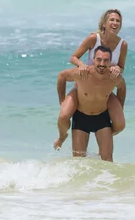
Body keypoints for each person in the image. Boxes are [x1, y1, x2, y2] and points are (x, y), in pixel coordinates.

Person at [53, 9, 128, 149]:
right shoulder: (94, 38)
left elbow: (121, 67)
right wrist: (81, 65)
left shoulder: (122, 45)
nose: (115, 23)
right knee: (63, 116)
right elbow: (73, 58)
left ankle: (103, 136)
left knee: (120, 124)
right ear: (104, 23)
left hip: (105, 87)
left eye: (118, 21)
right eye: (112, 20)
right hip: (85, 85)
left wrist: (118, 69)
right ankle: (62, 137)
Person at [54, 45, 126, 162]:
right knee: (78, 161)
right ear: (93, 60)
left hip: (102, 118)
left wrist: (119, 106)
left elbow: (122, 86)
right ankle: (62, 137)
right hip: (81, 118)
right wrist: (62, 101)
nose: (102, 63)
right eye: (99, 60)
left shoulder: (113, 77)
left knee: (107, 160)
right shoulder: (83, 73)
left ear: (110, 63)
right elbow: (62, 76)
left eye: (106, 60)